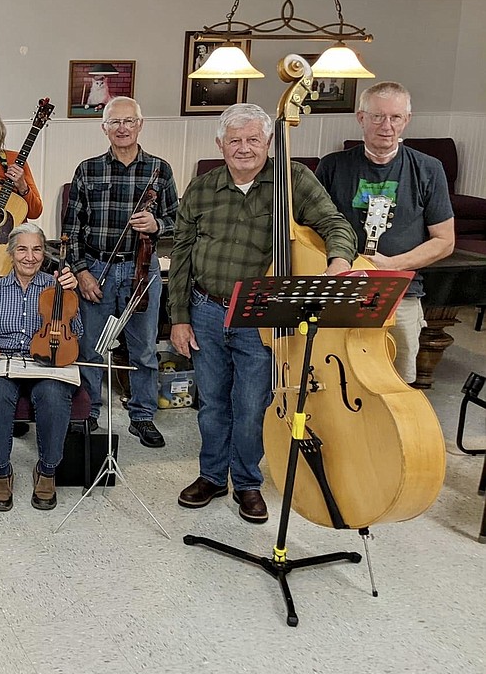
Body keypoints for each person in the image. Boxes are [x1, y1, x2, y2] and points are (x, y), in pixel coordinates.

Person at [168, 103, 357, 524]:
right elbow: (180, 254)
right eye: (234, 140)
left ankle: (248, 482)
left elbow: (336, 224)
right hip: (205, 311)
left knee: (252, 403)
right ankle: (212, 476)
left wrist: (339, 260)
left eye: (253, 139)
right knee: (212, 403)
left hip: (264, 317)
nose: (244, 148)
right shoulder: (201, 188)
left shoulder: (294, 181)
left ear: (269, 142)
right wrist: (178, 316)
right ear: (220, 145)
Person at [315, 81, 455, 384]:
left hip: (401, 294)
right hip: (343, 292)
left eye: (395, 117)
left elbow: (445, 241)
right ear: (361, 118)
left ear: (407, 120)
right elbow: (312, 229)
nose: (386, 126)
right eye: (377, 117)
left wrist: (392, 265)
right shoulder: (333, 166)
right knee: (338, 376)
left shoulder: (428, 168)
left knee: (398, 382)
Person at [63, 97, 178, 448]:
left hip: (142, 270)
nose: (123, 128)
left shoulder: (160, 169)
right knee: (90, 348)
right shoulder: (88, 169)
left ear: (140, 125)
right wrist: (81, 272)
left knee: (143, 348)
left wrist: (156, 223)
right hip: (96, 267)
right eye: (115, 122)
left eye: (129, 121)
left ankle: (142, 415)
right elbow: (71, 228)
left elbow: (180, 222)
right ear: (104, 128)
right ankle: (89, 411)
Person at [0, 223, 81, 512]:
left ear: (45, 253)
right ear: (11, 252)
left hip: (47, 362)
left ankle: (47, 470)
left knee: (54, 396)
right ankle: (2, 471)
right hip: (5, 361)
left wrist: (71, 298)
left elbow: (76, 332)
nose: (30, 257)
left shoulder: (58, 288)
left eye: (37, 249)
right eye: (22, 249)